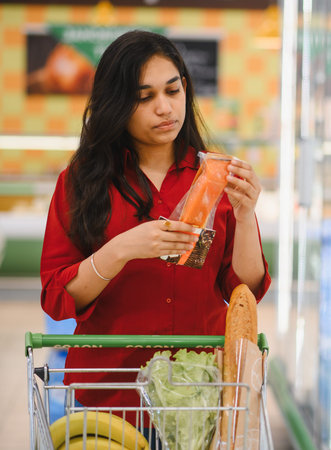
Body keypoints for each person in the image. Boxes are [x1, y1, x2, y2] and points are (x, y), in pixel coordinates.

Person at [40, 30, 271, 419]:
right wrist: (120, 251)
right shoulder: (80, 182)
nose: (165, 108)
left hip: (200, 390)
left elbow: (244, 289)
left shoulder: (213, 176)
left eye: (172, 91)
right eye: (144, 97)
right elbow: (58, 296)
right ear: (115, 104)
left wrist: (245, 217)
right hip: (111, 391)